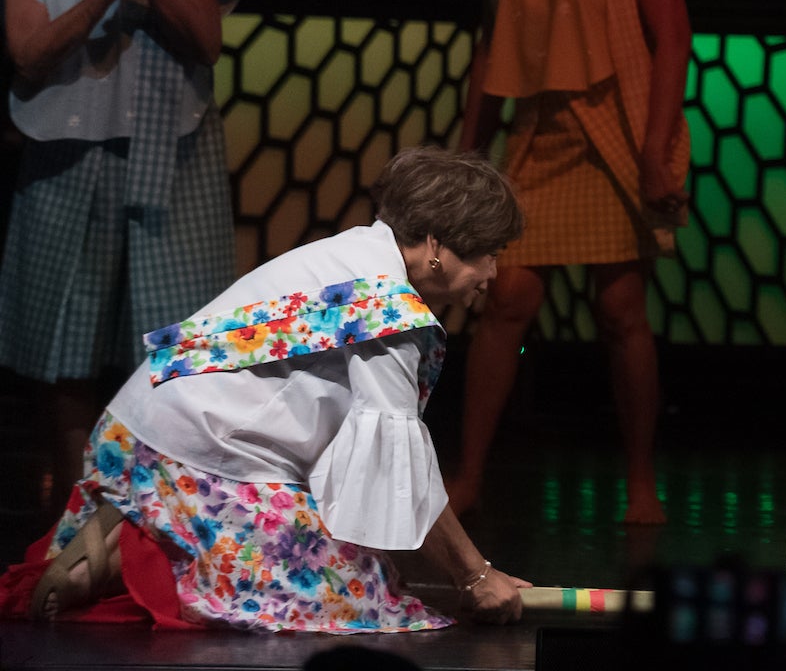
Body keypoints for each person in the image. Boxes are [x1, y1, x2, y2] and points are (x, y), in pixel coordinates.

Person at [1, 147, 528, 633]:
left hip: (130, 436)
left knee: (365, 563)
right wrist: (475, 576)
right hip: (193, 455)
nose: (492, 274)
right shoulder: (387, 308)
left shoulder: (352, 254)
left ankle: (143, 529)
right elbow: (399, 467)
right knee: (356, 596)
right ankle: (140, 550)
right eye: (488, 254)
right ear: (436, 244)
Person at [450, 0, 694, 525]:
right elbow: (493, 50)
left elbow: (673, 39)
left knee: (621, 307)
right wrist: (469, 154)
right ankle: (468, 474)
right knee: (507, 298)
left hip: (613, 130)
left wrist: (655, 147)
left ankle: (641, 480)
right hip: (541, 131)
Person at [0, 0, 237, 502]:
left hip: (174, 167)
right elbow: (28, 56)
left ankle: (160, 511)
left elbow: (205, 42)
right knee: (68, 345)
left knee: (176, 347)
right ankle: (78, 505)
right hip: (69, 168)